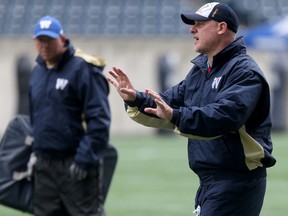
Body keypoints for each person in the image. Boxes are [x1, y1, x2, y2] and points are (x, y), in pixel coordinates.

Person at [106, 2, 276, 216]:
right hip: (209, 182)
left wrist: (176, 115)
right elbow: (167, 103)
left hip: (236, 182)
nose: (192, 29)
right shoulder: (200, 70)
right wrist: (136, 98)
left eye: (199, 24)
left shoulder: (244, 72)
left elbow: (225, 116)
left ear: (221, 28)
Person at [29, 15, 110, 216]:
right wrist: (34, 151)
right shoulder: (37, 72)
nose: (44, 45)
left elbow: (99, 120)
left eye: (49, 40)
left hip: (76, 164)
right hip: (44, 168)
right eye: (40, 40)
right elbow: (36, 118)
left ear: (62, 39)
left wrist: (84, 159)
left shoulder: (82, 69)